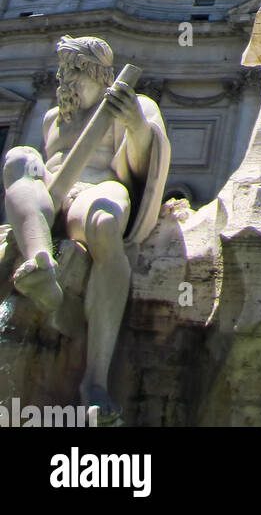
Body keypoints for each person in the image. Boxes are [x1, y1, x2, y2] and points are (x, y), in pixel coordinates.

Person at [2, 35, 169, 415]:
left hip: (98, 188)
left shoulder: (133, 106)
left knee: (105, 222)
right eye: (64, 71)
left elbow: (144, 165)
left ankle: (95, 380)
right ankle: (41, 262)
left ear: (99, 73)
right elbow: (40, 173)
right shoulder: (52, 117)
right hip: (51, 197)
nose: (66, 79)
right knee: (18, 157)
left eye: (76, 71)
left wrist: (136, 127)